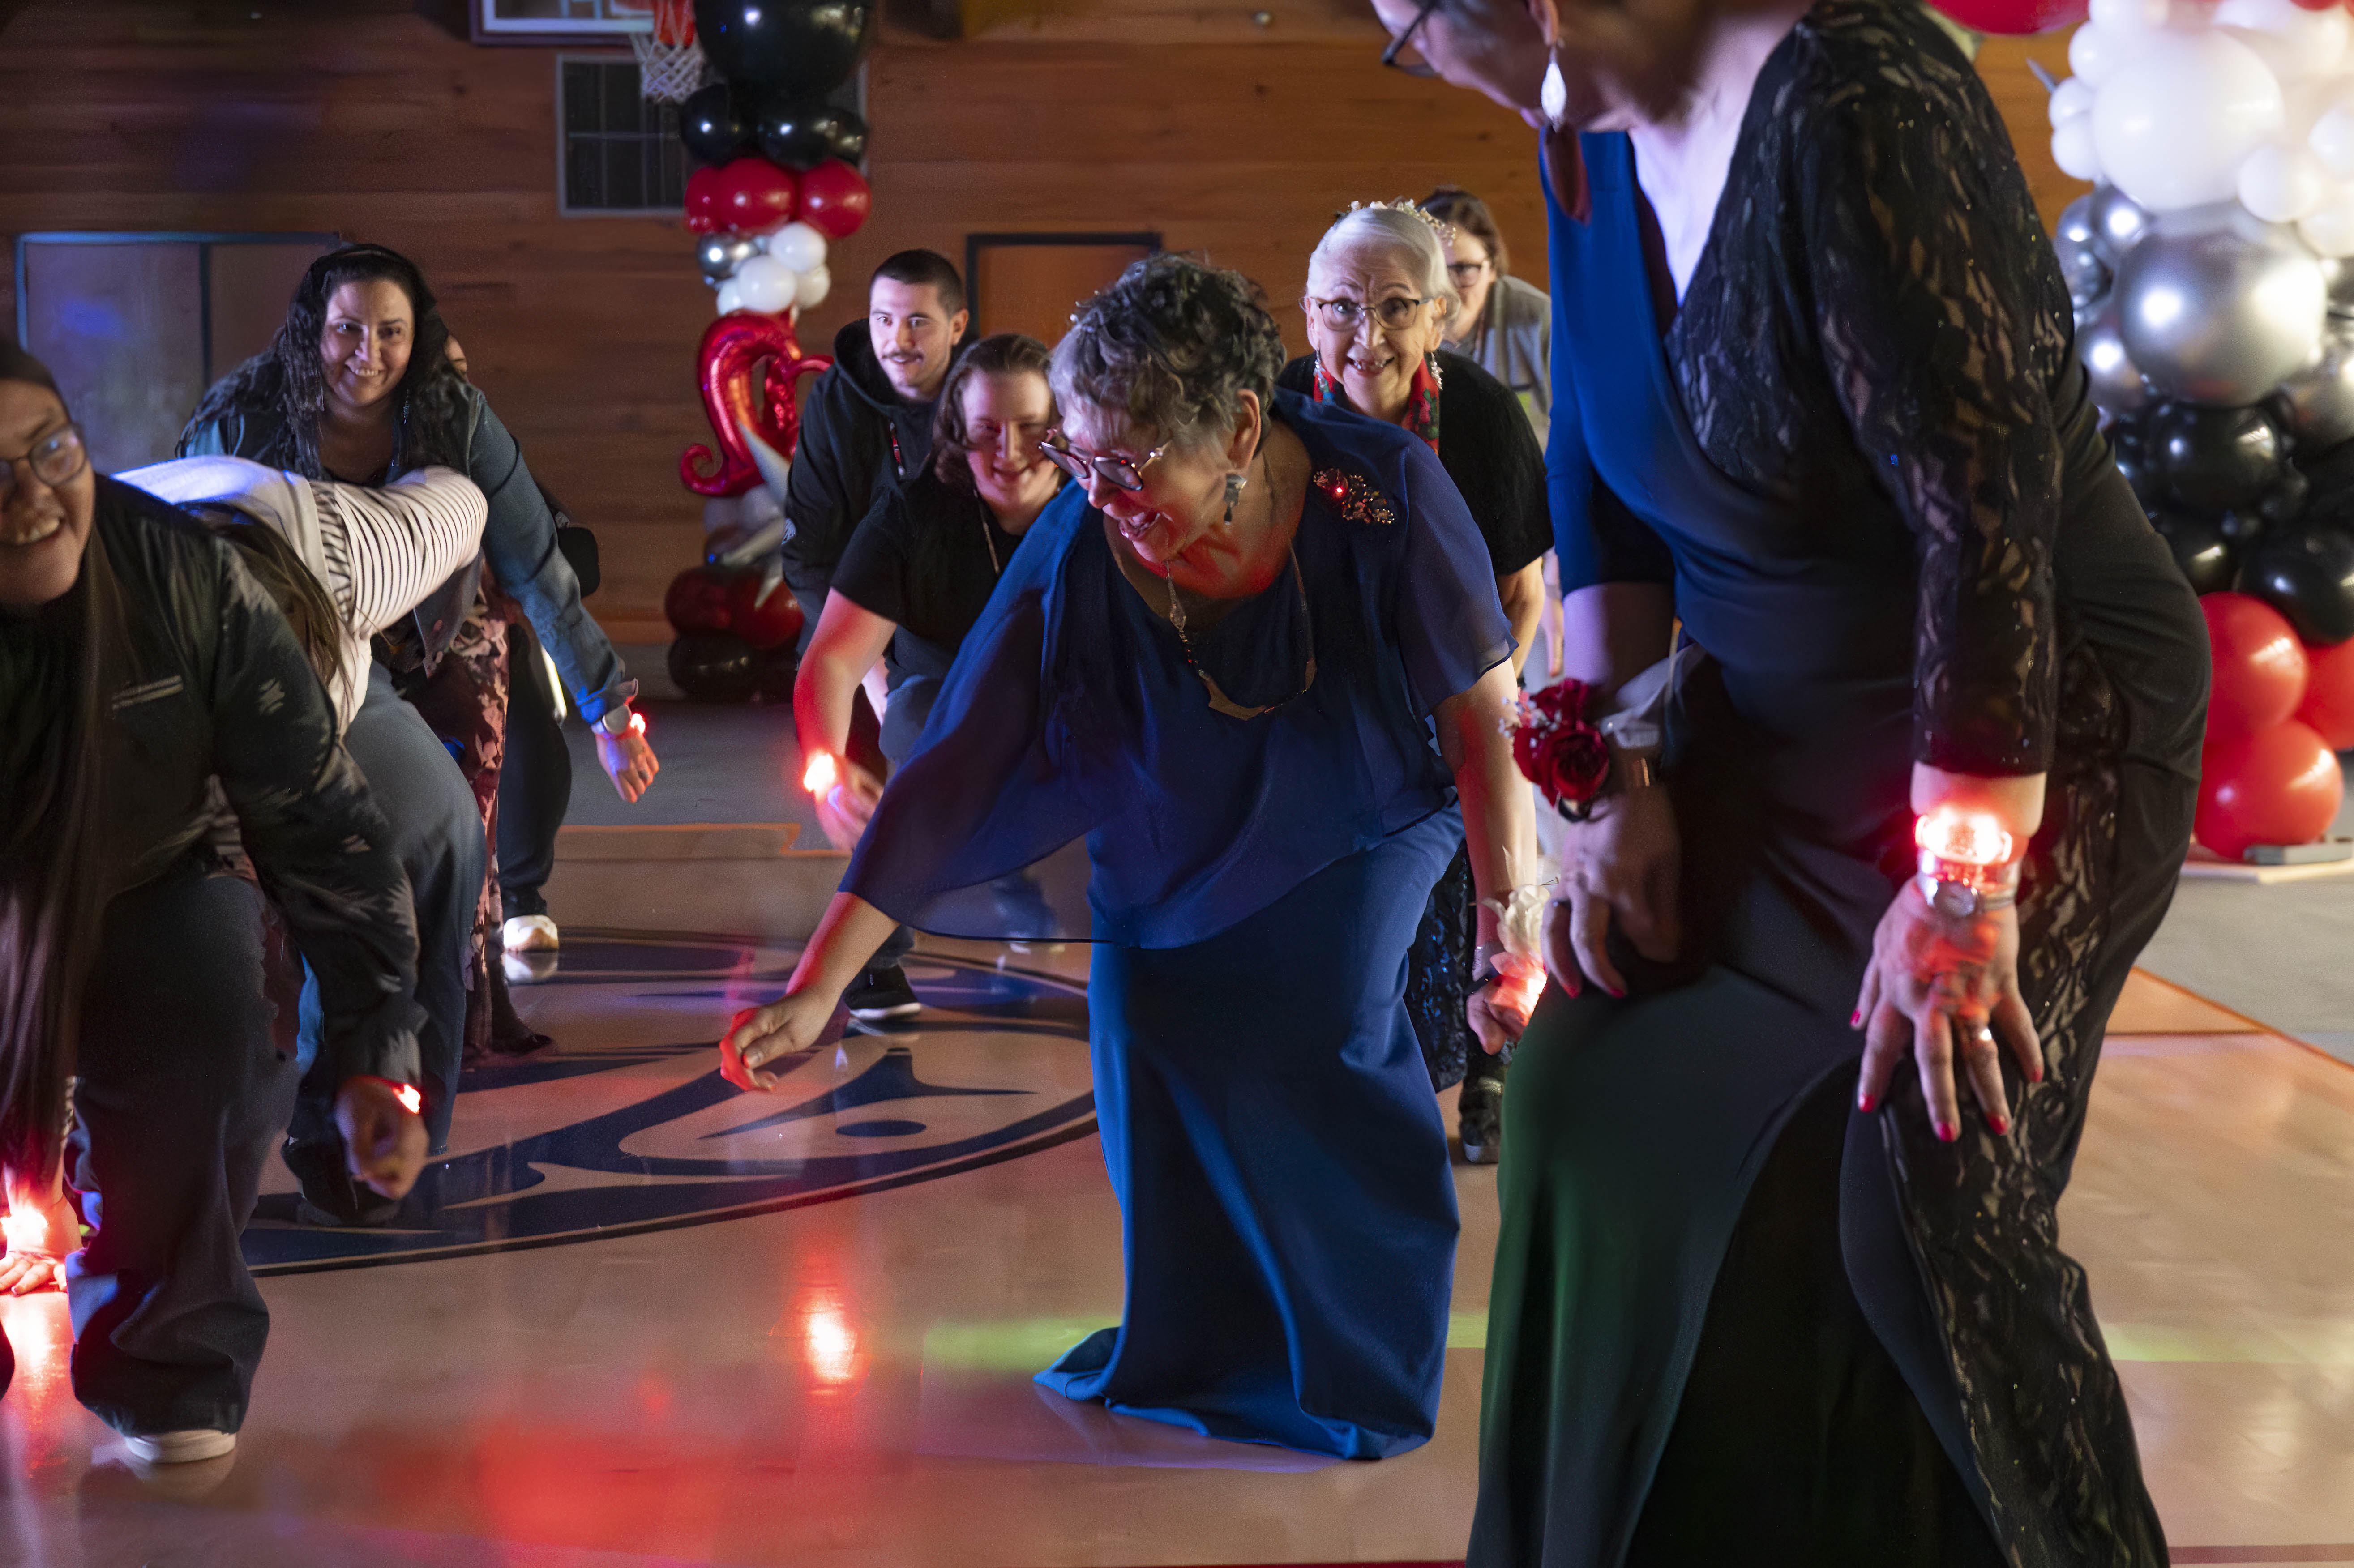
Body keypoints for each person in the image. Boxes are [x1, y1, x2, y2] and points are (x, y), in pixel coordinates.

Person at [1376, 0, 2209, 1559]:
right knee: (1589, 1083)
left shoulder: (1859, 100)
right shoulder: (1584, 123)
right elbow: (1595, 478)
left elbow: (1984, 520)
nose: (1415, 60)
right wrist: (1614, 770)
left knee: (1923, 1206)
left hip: (2020, 714)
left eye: (1408, 27)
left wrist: (1960, 885)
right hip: (1765, 721)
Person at [722, 254, 1541, 1458]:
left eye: (1133, 465)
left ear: (1242, 427)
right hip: (1170, 805)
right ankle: (1203, 1348)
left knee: (1315, 1026)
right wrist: (819, 984)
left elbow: (1480, 715)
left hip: (1368, 801)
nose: (1100, 495)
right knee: (1146, 1038)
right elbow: (955, 768)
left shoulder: (1383, 492)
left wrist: (1507, 921)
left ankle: (1359, 1364)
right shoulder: (1082, 533)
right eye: (1082, 460)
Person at [0, 341, 428, 1462]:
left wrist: (372, 1048)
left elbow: (322, 819)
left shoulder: (183, 574)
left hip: (151, 871)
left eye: (52, 451)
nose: (33, 495)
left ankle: (169, 1345)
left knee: (217, 1008)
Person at [178, 247, 655, 1198]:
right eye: (346, 330)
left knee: (438, 839)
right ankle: (238, 1117)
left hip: (405, 641)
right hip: (257, 659)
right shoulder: (238, 423)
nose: (367, 352)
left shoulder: (451, 430)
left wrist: (610, 707)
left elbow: (536, 567)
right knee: (250, 889)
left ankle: (387, 1122)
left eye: (390, 332)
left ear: (419, 337)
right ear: (311, 331)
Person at [1275, 201, 1550, 1163]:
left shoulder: (1480, 416)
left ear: (1438, 318)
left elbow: (1519, 594)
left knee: (1473, 887)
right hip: (1325, 702)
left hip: (1461, 688)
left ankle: (1486, 1074)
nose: (1368, 335)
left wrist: (1483, 705)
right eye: (1342, 307)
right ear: (1308, 313)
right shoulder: (1276, 408)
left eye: (1396, 307)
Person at [794, 333, 1064, 942]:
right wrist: (827, 767)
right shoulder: (910, 517)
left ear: (1063, 428)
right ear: (956, 431)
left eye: (1030, 428)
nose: (1010, 452)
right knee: (917, 712)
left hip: (1072, 700)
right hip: (947, 708)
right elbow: (832, 659)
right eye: (986, 429)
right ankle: (898, 904)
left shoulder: (1101, 508)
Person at [779, 248, 974, 1018]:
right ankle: (874, 958)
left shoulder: (984, 394)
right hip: (860, 605)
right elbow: (809, 552)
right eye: (884, 319)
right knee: (859, 747)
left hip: (966, 603)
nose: (898, 339)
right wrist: (871, 670)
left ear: (957, 326)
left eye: (918, 321)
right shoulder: (838, 401)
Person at [1419, 185, 1553, 445]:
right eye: (1433, 271)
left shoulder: (1539, 319)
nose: (1447, 289)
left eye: (1463, 269)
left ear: (1493, 268)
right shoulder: (1393, 326)